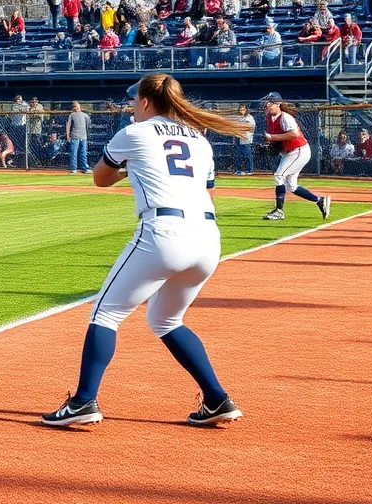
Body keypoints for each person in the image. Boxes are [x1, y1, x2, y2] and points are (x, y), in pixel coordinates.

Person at [41, 73, 251, 428]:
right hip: (207, 236)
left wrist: (127, 170)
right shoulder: (200, 140)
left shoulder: (134, 133)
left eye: (134, 101)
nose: (132, 106)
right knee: (166, 320)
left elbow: (100, 178)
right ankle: (216, 398)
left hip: (164, 230)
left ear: (145, 102)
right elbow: (207, 191)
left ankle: (83, 401)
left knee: (105, 314)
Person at [261, 92, 332, 221]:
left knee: (279, 175)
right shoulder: (269, 118)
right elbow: (277, 138)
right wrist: (269, 143)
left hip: (299, 150)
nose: (268, 105)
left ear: (278, 104)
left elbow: (294, 134)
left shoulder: (285, 117)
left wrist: (273, 137)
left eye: (271, 103)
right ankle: (320, 201)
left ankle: (279, 211)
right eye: (267, 103)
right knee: (291, 186)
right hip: (290, 152)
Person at [66, 101, 91, 174]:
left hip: (83, 137)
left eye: (76, 104)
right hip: (74, 136)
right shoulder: (72, 115)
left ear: (79, 106)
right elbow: (68, 126)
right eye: (74, 105)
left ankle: (85, 168)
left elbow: (88, 125)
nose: (76, 106)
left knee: (83, 153)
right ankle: (73, 169)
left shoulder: (85, 115)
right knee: (73, 153)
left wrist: (86, 135)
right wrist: (68, 136)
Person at [233, 104, 255, 175]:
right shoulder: (238, 118)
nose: (241, 111)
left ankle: (249, 170)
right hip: (238, 137)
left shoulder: (249, 118)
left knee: (247, 155)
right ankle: (238, 170)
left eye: (243, 110)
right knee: (237, 155)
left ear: (246, 110)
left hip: (246, 138)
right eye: (240, 110)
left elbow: (250, 127)